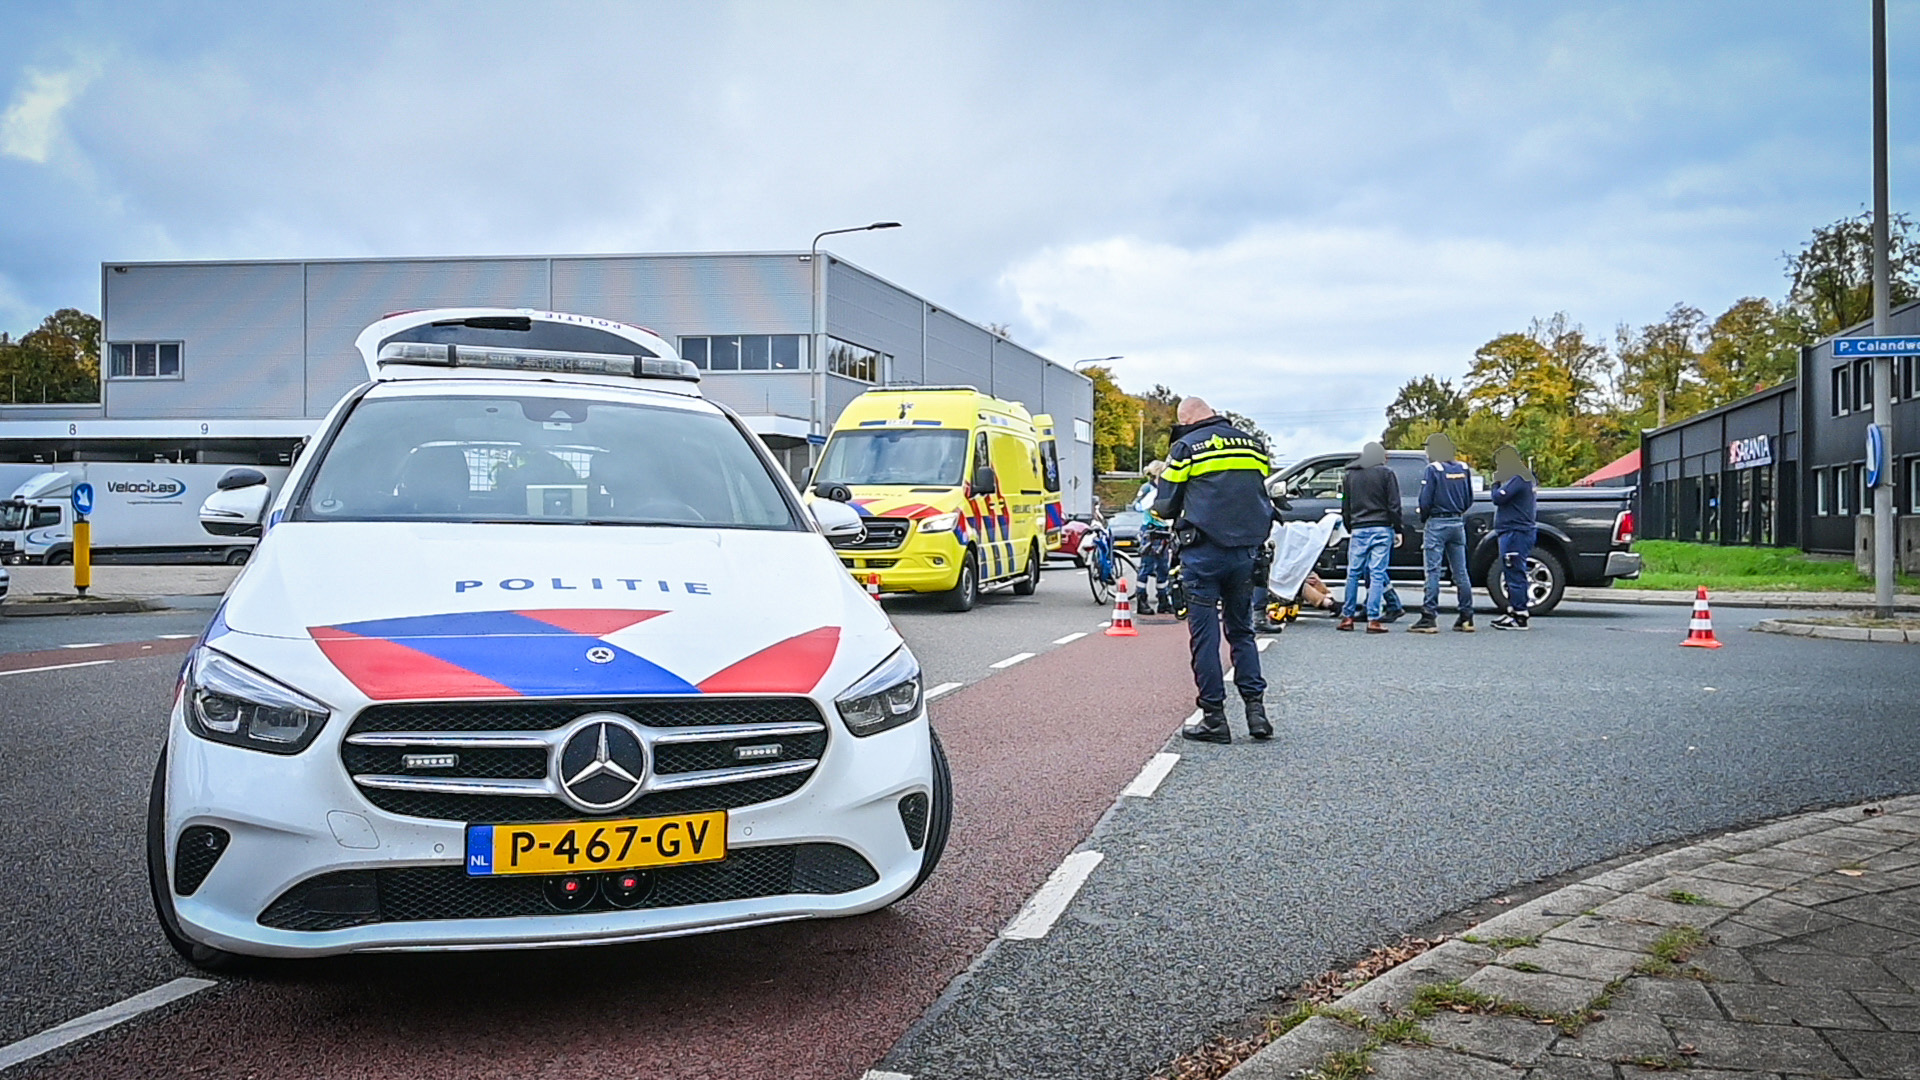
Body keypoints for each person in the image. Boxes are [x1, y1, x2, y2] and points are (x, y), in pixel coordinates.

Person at [1153, 397, 1273, 744]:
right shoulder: (1252, 444)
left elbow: (1164, 504)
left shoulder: (1187, 446)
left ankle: (1214, 718)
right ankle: (1256, 713)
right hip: (1246, 552)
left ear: (1187, 419)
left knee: (1205, 636)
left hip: (1203, 552)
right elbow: (1256, 488)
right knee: (1242, 631)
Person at [1411, 432, 1475, 634]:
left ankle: (1429, 617)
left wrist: (1425, 517)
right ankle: (1467, 617)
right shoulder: (1463, 468)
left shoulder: (1433, 469)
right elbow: (1469, 498)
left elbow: (1425, 500)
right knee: (1460, 571)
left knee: (1433, 571)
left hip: (1437, 523)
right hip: (1457, 522)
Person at [1337, 442, 1402, 634]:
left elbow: (1345, 506)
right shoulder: (1386, 473)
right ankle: (1373, 619)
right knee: (1376, 573)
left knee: (1353, 573)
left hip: (1358, 528)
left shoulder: (1351, 475)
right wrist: (1397, 529)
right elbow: (1394, 504)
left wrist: (1350, 525)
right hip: (1381, 527)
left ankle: (1347, 617)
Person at [1489, 444, 1538, 631]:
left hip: (1516, 531)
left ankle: (1520, 614)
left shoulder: (1519, 477)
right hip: (1511, 530)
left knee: (1514, 570)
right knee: (1510, 572)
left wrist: (1495, 483)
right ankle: (1512, 611)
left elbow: (1499, 498)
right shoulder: (1521, 477)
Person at [1132, 461, 1173, 615]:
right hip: (1151, 531)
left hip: (1164, 530)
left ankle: (1163, 601)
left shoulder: (1166, 488)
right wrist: (1150, 501)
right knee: (1147, 566)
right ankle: (1142, 601)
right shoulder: (1148, 488)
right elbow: (1137, 506)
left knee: (1163, 567)